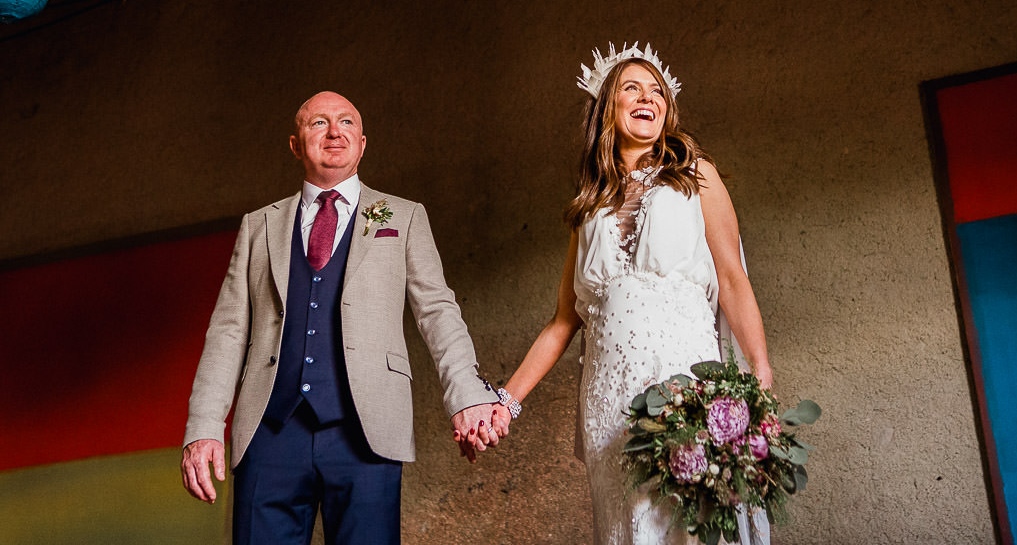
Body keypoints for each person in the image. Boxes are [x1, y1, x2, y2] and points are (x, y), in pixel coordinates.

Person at [179, 90, 504, 544]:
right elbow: (228, 331)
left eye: (347, 122)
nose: (335, 132)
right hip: (269, 433)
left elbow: (438, 310)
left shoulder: (404, 216)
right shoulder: (259, 226)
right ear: (295, 144)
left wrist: (466, 394)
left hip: (366, 432)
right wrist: (204, 426)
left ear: (363, 142)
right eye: (319, 123)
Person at [488, 43, 773, 545]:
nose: (648, 98)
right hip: (609, 396)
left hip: (686, 375)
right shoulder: (586, 207)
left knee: (695, 522)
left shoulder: (695, 176)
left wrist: (760, 374)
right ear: (606, 108)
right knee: (629, 525)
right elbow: (562, 323)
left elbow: (731, 279)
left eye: (657, 91)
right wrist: (506, 401)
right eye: (632, 88)